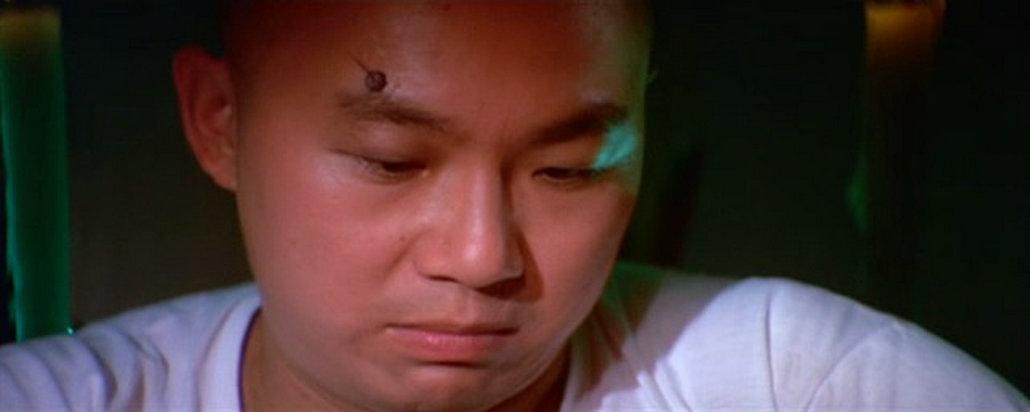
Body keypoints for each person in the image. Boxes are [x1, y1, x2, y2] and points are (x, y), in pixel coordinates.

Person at [1, 1, 1027, 411]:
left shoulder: (794, 384)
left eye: (569, 170)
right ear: (219, 120)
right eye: (393, 161)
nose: (482, 255)